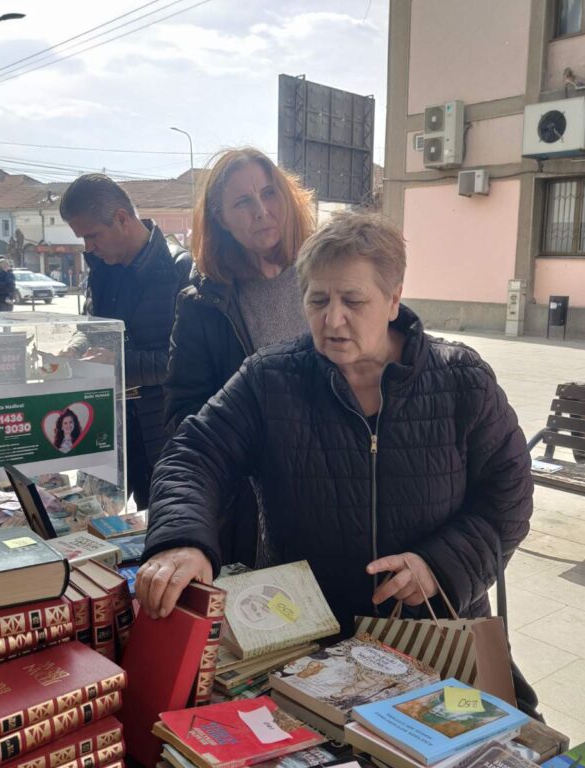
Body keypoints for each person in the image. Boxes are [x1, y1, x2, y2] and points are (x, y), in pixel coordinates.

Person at [138, 212, 534, 642]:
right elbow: (193, 454)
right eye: (318, 300)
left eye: (353, 300)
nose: (333, 319)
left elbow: (508, 494)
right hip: (306, 636)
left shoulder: (461, 379)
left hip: (436, 633)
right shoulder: (269, 379)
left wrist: (439, 566)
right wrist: (183, 538)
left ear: (393, 298)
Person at [163, 147, 316, 566]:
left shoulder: (323, 273)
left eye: (270, 194)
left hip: (336, 493)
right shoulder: (203, 304)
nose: (262, 211)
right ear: (220, 218)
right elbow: (185, 414)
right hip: (255, 509)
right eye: (243, 202)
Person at [59, 173, 192, 511]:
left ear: (121, 218)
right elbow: (91, 325)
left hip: (162, 430)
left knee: (162, 524)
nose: (88, 247)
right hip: (107, 423)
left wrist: (117, 363)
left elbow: (183, 362)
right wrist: (75, 346)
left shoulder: (180, 269)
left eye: (92, 236)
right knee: (95, 517)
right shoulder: (103, 267)